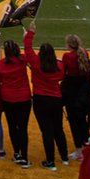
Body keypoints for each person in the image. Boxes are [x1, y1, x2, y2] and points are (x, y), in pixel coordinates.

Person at [23, 23, 68, 170]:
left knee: (47, 131)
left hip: (40, 99)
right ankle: (64, 156)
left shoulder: (36, 63)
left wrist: (30, 33)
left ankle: (50, 161)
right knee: (58, 129)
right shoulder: (59, 66)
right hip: (56, 99)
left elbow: (28, 49)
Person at [0, 39, 31, 168]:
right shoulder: (22, 60)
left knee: (12, 126)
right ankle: (24, 156)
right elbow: (29, 55)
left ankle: (17, 153)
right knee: (22, 127)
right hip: (24, 98)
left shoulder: (1, 64)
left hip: (8, 99)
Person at [61, 34, 90, 161]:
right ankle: (86, 147)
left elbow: (63, 73)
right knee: (83, 122)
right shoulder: (84, 52)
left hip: (71, 93)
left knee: (74, 122)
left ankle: (79, 149)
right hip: (84, 93)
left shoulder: (67, 56)